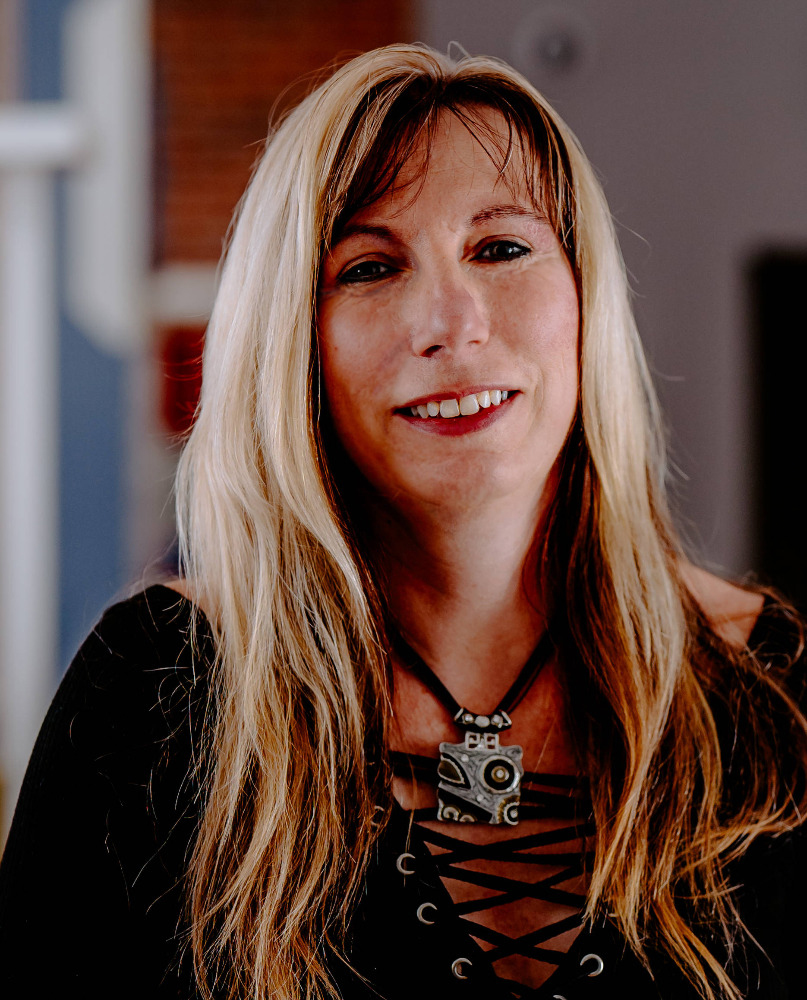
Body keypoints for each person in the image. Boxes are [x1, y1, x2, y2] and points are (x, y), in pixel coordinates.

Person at [1, 43, 806, 1000]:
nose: (452, 323)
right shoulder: (151, 698)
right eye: (371, 267)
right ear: (294, 342)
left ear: (585, 296)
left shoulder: (776, 689)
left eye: (501, 248)